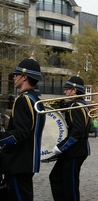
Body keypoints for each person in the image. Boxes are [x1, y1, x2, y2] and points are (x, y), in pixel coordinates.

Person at [0, 58, 46, 200]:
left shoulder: (23, 99)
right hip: (27, 160)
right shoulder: (35, 99)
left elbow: (20, 133)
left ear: (24, 77)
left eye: (16, 74)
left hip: (18, 161)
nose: (14, 77)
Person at [49, 75, 91, 201]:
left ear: (74, 90)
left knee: (70, 184)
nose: (64, 92)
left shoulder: (75, 106)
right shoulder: (79, 104)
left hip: (74, 151)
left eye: (67, 89)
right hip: (74, 150)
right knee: (56, 177)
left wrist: (61, 147)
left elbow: (78, 131)